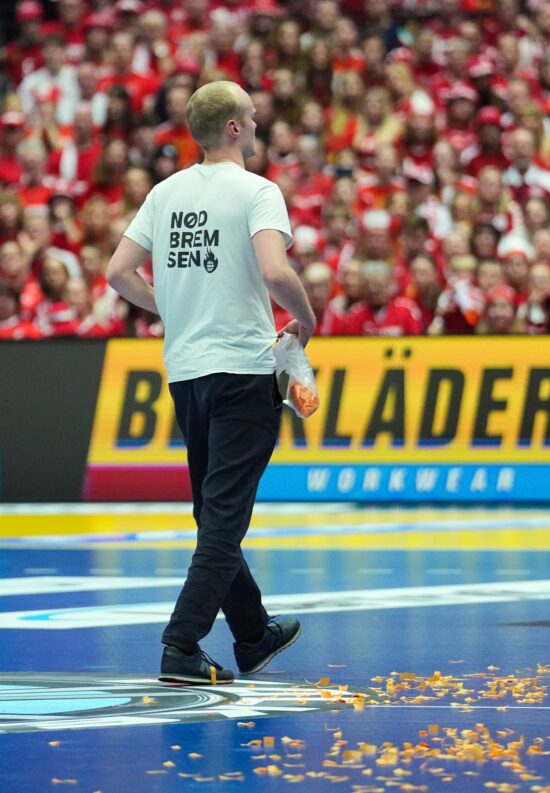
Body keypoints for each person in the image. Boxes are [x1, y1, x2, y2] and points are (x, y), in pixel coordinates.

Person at [105, 80, 316, 685]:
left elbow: (119, 273)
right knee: (223, 520)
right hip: (244, 370)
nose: (256, 125)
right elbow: (276, 271)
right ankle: (181, 645)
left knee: (211, 512)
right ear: (232, 128)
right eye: (250, 117)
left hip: (188, 373)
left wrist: (168, 308)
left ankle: (252, 634)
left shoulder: (164, 193)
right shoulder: (258, 191)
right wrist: (305, 319)